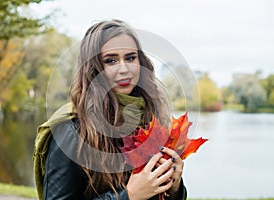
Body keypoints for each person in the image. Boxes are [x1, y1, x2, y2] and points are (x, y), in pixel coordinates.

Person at [33, 19, 187, 200]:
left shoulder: (149, 119)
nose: (124, 69)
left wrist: (174, 186)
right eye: (110, 60)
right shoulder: (71, 129)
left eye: (130, 58)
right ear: (93, 68)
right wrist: (128, 196)